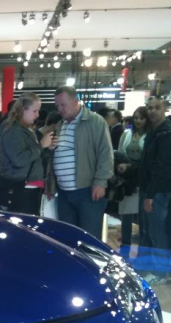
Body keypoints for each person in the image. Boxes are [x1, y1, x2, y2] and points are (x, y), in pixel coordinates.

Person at [51, 86, 114, 238]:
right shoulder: (60, 125)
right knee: (67, 238)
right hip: (64, 194)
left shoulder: (94, 121)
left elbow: (105, 153)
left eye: (63, 104)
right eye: (57, 105)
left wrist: (100, 181)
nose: (60, 109)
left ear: (75, 101)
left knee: (89, 239)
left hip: (88, 190)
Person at [139, 97, 171, 283]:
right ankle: (157, 268)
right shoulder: (154, 131)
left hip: (159, 190)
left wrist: (151, 194)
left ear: (164, 109)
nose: (152, 111)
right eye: (150, 108)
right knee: (153, 230)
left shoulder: (166, 133)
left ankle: (160, 272)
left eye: (156, 108)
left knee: (157, 231)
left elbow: (164, 167)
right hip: (153, 188)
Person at [0, 93, 56, 215]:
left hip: (29, 186)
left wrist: (46, 148)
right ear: (23, 110)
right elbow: (19, 159)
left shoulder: (25, 129)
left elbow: (32, 156)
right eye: (35, 111)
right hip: (21, 188)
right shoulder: (13, 130)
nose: (38, 115)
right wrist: (41, 146)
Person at [116, 106, 149, 248]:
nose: (138, 121)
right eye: (136, 118)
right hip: (127, 178)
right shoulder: (126, 134)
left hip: (143, 177)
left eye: (141, 118)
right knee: (126, 213)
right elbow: (120, 152)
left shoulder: (150, 135)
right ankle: (125, 243)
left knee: (143, 214)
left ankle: (143, 243)